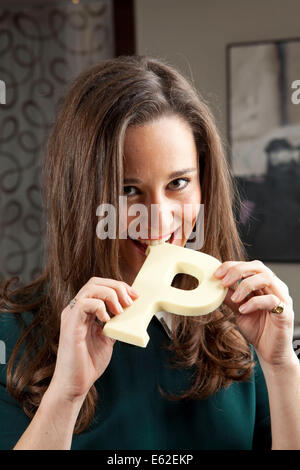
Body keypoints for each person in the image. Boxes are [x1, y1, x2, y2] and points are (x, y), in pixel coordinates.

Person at [0, 55, 299, 450]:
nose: (157, 219)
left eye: (178, 182)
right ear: (81, 195)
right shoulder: (15, 334)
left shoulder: (240, 326)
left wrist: (281, 367)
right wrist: (66, 396)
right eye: (128, 190)